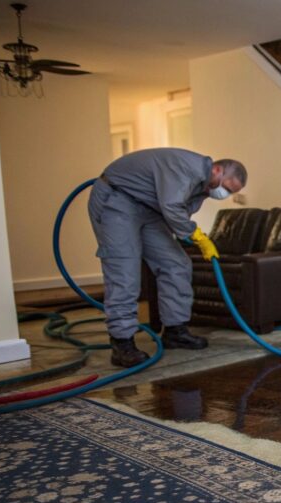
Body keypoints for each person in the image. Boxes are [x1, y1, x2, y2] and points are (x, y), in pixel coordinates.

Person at [87, 148, 247, 367]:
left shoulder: (204, 187)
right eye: (226, 188)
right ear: (217, 170)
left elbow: (177, 213)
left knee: (176, 263)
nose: (224, 194)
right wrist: (197, 236)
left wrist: (189, 235)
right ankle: (122, 342)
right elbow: (172, 206)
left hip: (151, 212)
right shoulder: (188, 167)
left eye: (230, 193)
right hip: (118, 201)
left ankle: (175, 330)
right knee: (125, 270)